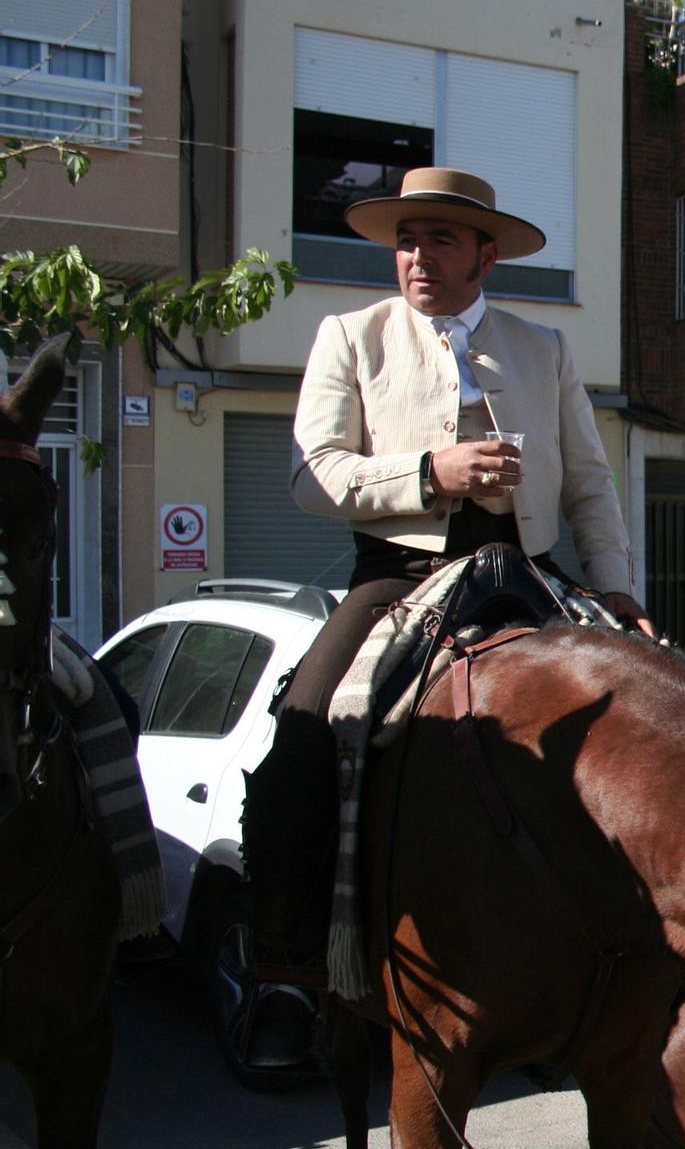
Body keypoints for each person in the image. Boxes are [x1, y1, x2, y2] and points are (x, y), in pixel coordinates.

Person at [246, 167, 650, 987]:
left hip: (529, 569)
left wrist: (615, 589)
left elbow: (589, 483)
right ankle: (286, 963)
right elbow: (312, 474)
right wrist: (432, 473)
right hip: (397, 575)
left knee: (659, 708)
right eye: (406, 239)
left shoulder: (547, 347)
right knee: (302, 732)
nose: (417, 256)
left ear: (485, 256)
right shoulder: (350, 335)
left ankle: (657, 945)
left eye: (440, 238)